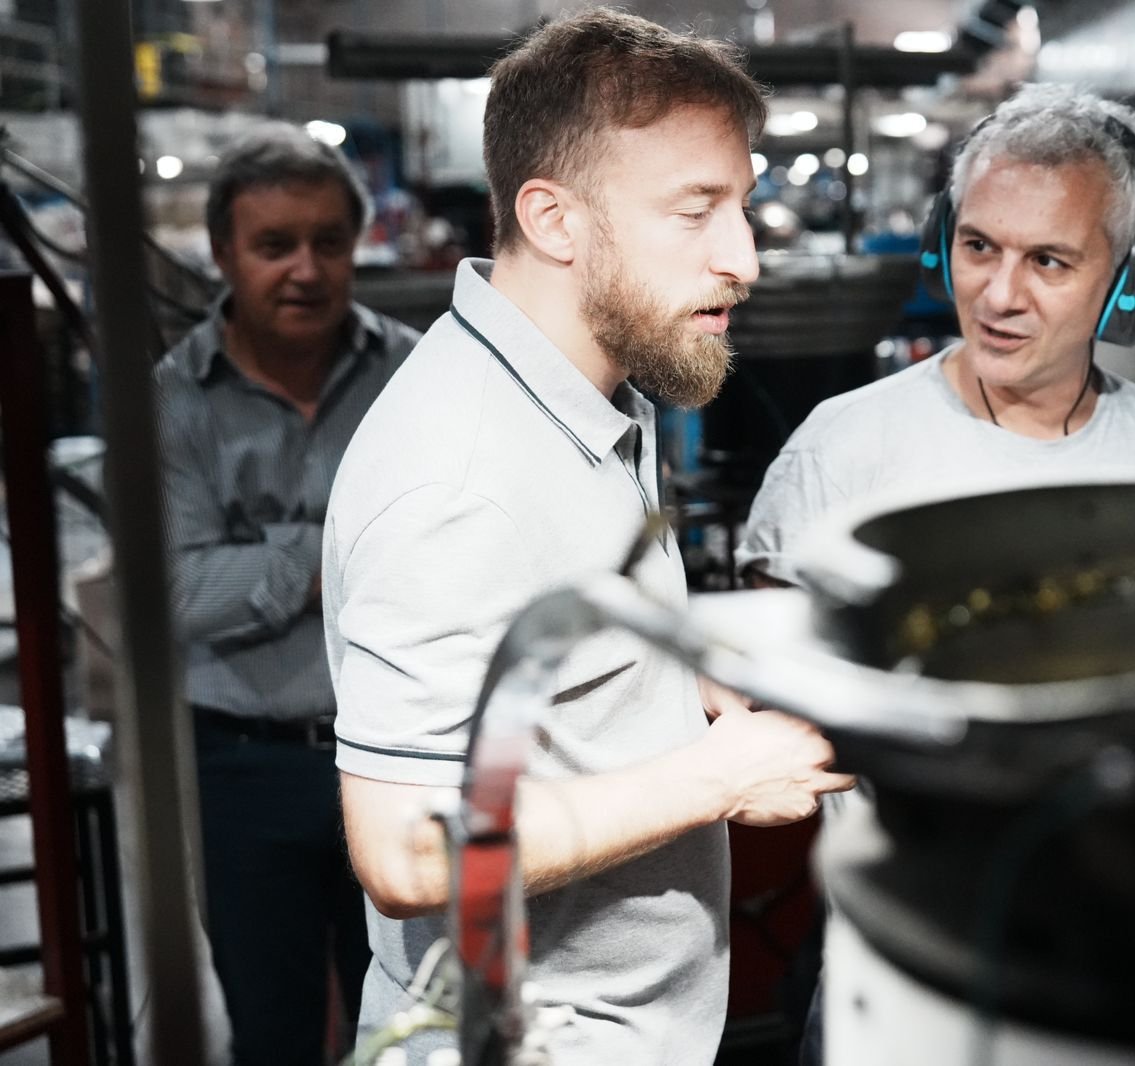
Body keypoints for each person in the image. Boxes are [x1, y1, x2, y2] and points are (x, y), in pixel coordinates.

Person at [323, 10, 854, 1064]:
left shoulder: (585, 392)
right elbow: (407, 853)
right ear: (554, 219)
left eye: (741, 209)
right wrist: (718, 776)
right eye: (695, 213)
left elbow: (537, 638)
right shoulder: (459, 474)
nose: (744, 259)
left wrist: (674, 673)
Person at [155, 123, 419, 1065]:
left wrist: (260, 558)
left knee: (414, 1025)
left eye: (327, 242)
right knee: (272, 1032)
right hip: (243, 767)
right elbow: (178, 590)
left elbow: (452, 554)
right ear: (223, 254)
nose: (305, 270)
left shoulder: (417, 377)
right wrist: (351, 547)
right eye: (274, 245)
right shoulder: (171, 400)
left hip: (404, 747)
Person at [737, 84, 1135, 588]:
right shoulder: (845, 447)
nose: (999, 296)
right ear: (942, 242)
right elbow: (769, 633)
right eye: (979, 246)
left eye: (1047, 260)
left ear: (1129, 282)